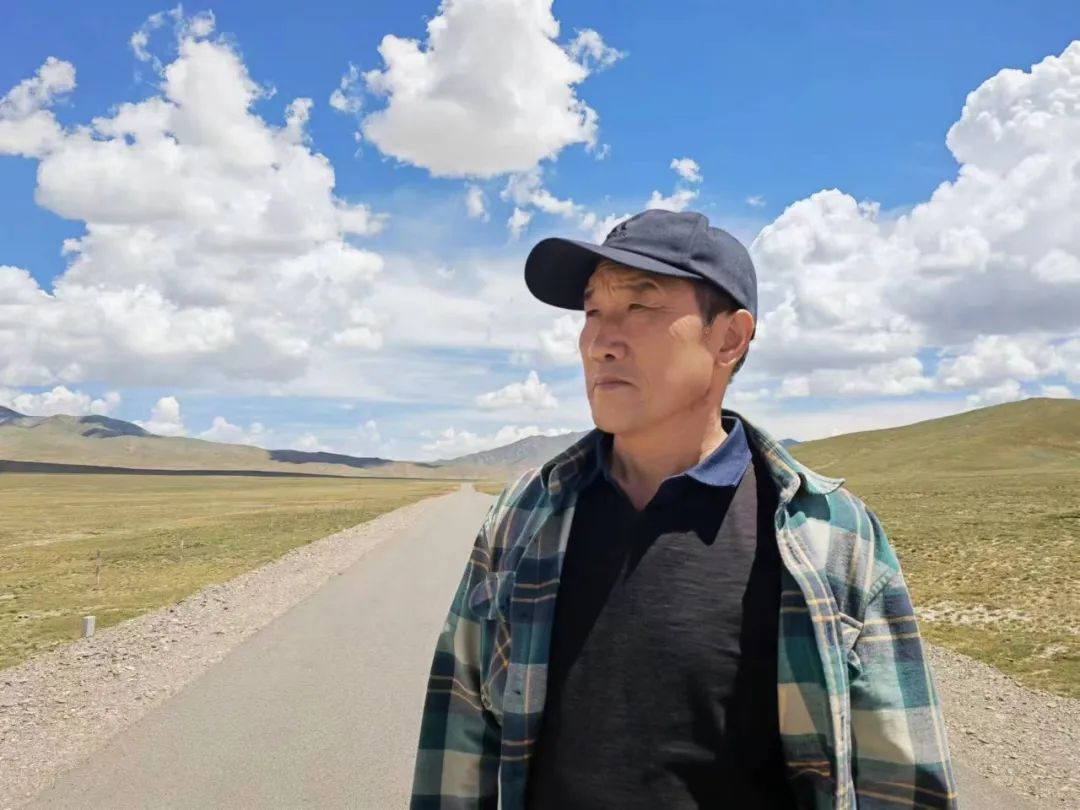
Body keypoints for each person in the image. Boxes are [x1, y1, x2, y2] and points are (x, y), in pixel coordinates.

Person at [409, 209, 958, 809]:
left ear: (730, 338)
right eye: (592, 312)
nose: (599, 342)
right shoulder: (523, 517)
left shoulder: (831, 535)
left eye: (639, 306)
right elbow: (457, 739)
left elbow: (902, 786)